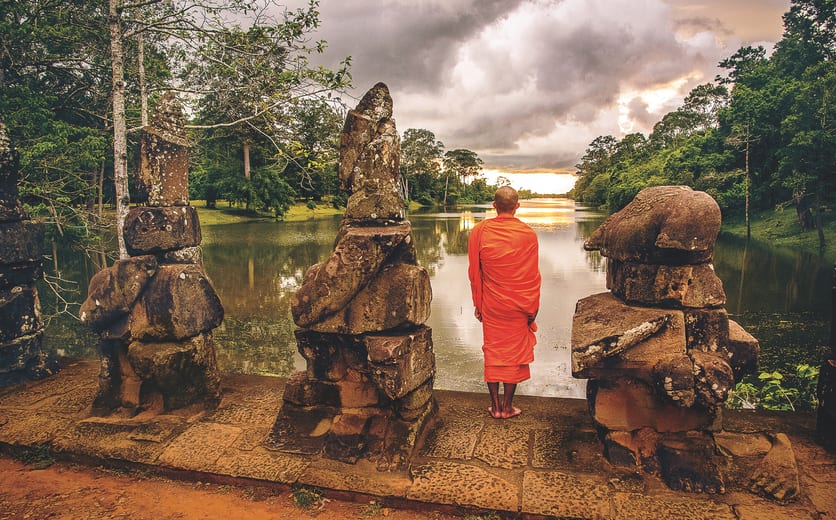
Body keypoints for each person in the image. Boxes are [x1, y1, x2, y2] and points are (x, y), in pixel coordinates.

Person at [467, 186, 541, 419]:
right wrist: (533, 309)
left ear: (494, 205)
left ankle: (495, 406)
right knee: (513, 357)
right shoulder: (528, 234)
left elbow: (474, 272)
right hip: (520, 305)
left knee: (494, 352)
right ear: (517, 206)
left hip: (492, 304)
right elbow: (532, 276)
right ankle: (507, 407)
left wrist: (478, 303)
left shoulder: (480, 231)